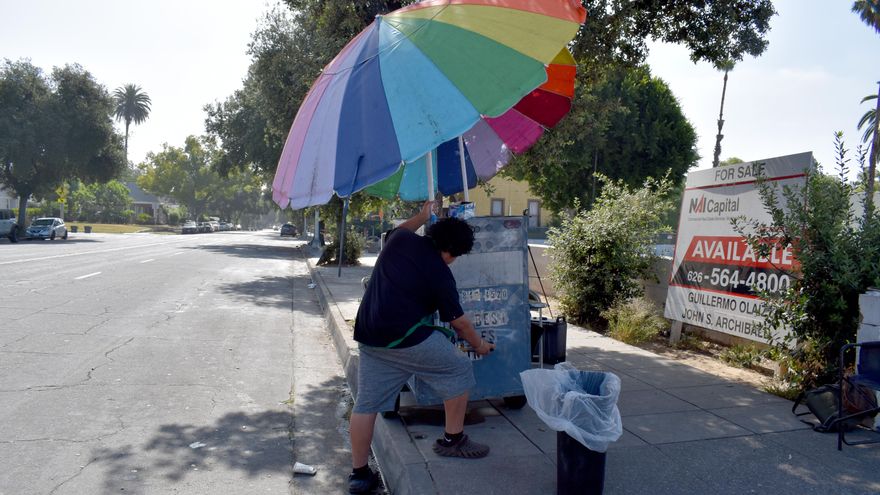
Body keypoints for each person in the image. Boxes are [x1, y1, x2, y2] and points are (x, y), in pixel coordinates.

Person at [347, 200, 495, 494]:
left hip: (370, 336)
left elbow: (399, 230)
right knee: (460, 370)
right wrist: (479, 346)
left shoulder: (400, 239)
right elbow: (460, 323)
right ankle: (453, 440)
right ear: (454, 253)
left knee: (365, 405)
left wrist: (422, 215)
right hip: (407, 339)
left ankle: (359, 475)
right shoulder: (441, 273)